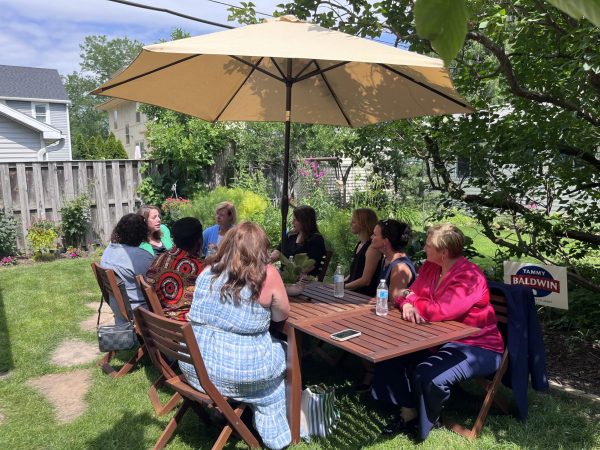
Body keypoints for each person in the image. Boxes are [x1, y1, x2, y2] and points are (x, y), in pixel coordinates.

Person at [372, 224, 504, 441]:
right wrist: (406, 303)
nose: (423, 248)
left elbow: (440, 310)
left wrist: (412, 300)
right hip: (437, 339)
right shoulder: (431, 267)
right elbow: (407, 294)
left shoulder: (470, 277)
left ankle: (427, 422)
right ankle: (408, 410)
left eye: (428, 245)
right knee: (387, 355)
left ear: (443, 253)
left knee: (428, 375)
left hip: (478, 346)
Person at [179, 222, 291, 449]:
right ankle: (274, 432)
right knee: (286, 353)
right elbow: (281, 316)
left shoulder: (208, 271)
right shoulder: (266, 274)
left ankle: (231, 415)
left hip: (196, 366)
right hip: (237, 372)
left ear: (228, 244)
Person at [100, 213, 155, 324]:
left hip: (119, 309)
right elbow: (156, 284)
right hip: (141, 315)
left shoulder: (108, 250)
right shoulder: (141, 256)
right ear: (142, 234)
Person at [146, 217, 203, 321]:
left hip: (162, 324)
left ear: (174, 239)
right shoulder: (200, 269)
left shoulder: (160, 259)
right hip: (183, 328)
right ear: (199, 240)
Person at [270, 205, 326, 277]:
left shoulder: (316, 239)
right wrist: (265, 262)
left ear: (304, 221)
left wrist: (290, 275)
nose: (292, 222)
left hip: (303, 281)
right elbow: (277, 252)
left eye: (295, 220)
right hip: (285, 277)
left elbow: (311, 266)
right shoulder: (291, 235)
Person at [370, 219, 416, 299]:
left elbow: (394, 301)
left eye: (374, 235)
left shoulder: (400, 268)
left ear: (385, 241)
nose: (371, 237)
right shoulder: (387, 259)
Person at [344, 208, 382, 297]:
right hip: (352, 292)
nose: (351, 224)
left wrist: (343, 286)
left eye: (354, 222)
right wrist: (340, 283)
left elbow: (365, 280)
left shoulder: (372, 248)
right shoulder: (360, 244)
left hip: (363, 296)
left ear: (363, 224)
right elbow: (355, 272)